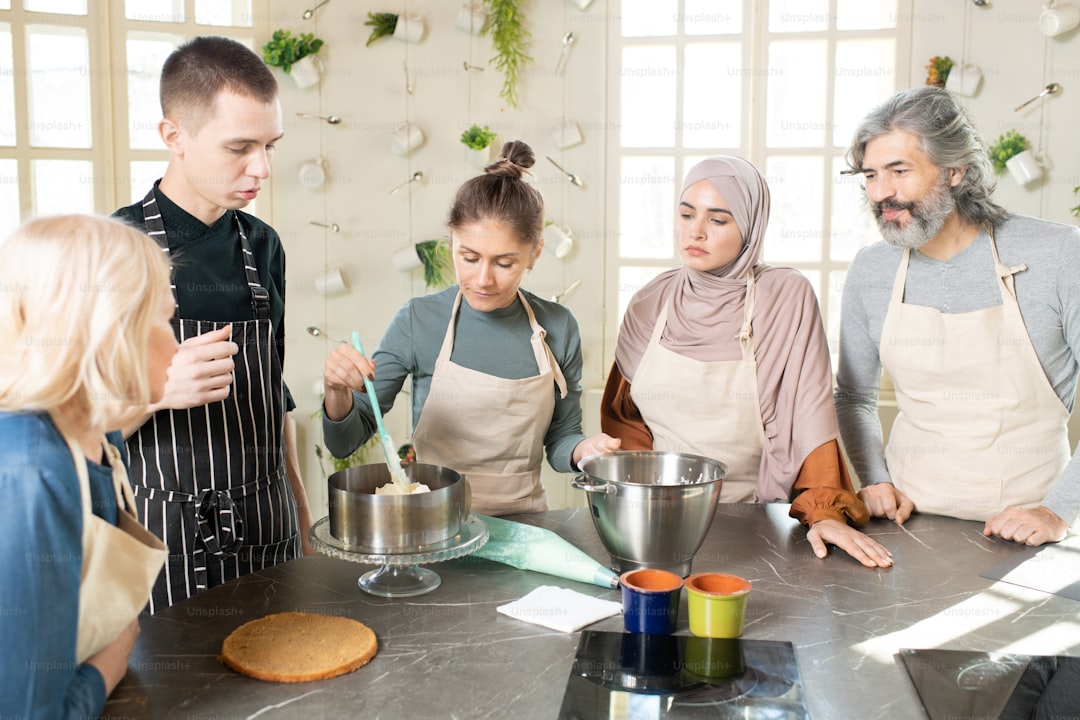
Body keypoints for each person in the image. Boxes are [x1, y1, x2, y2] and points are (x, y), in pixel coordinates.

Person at [602, 156, 893, 568]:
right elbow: (624, 420)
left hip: (755, 520)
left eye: (718, 220)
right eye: (686, 214)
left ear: (751, 228)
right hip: (656, 521)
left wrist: (825, 511)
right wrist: (641, 502)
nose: (695, 231)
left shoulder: (785, 296)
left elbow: (810, 417)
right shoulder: (650, 301)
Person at [112, 36, 312, 612]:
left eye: (270, 145)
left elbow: (273, 392)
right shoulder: (116, 250)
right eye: (240, 147)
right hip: (161, 533)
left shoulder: (262, 246)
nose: (263, 168)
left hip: (267, 522)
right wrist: (155, 393)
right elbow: (66, 426)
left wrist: (298, 505)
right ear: (174, 136)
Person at [835, 86, 1080, 546]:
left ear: (955, 171)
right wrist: (872, 479)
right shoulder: (872, 268)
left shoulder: (1060, 253)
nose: (881, 193)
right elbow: (852, 396)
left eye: (899, 171)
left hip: (1029, 532)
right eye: (870, 175)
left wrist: (1056, 511)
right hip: (905, 526)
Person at [322, 140, 621, 515]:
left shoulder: (558, 326)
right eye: (469, 257)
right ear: (452, 244)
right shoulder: (419, 321)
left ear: (535, 253)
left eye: (504, 263)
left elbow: (561, 439)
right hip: (432, 523)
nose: (483, 279)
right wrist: (337, 391)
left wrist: (583, 451)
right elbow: (346, 441)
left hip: (525, 523)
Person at [0, 215, 176, 719]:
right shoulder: (31, 474)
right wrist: (110, 663)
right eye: (164, 320)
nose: (176, 344)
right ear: (110, 334)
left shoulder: (97, 437)